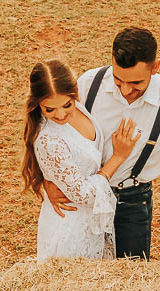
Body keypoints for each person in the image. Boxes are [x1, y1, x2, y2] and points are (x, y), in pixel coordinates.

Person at [44, 27, 160, 270]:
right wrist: (47, 181)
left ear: (155, 68)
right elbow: (48, 128)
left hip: (131, 203)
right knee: (77, 276)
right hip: (83, 201)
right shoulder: (88, 84)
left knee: (129, 282)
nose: (125, 90)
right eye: (118, 79)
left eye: (136, 82)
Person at [21, 59, 140, 262]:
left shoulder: (80, 107)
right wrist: (118, 157)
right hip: (70, 230)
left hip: (90, 223)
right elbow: (83, 195)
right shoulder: (49, 139)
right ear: (37, 104)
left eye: (66, 104)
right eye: (49, 109)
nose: (60, 114)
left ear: (75, 93)